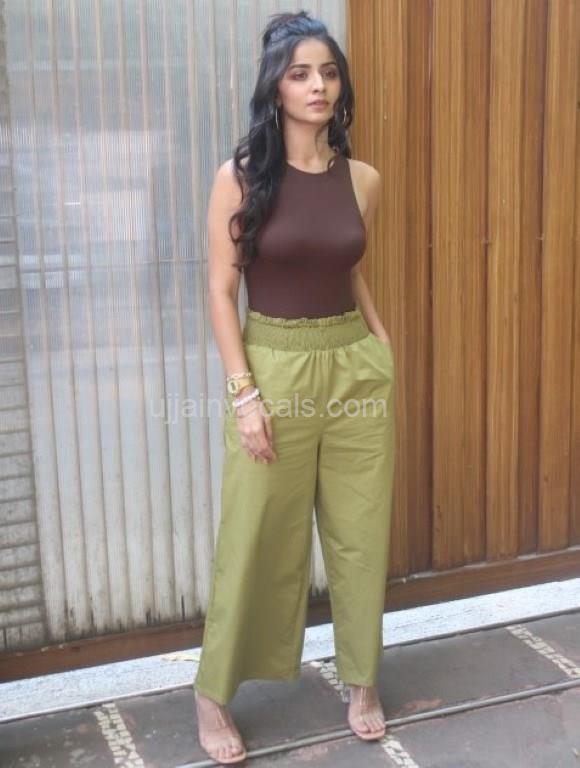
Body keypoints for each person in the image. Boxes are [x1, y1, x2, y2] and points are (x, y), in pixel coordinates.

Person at [193, 10, 395, 765]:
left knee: (360, 531)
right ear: (275, 86)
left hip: (355, 369)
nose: (318, 86)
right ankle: (212, 693)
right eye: (300, 73)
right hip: (273, 366)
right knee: (254, 534)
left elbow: (345, 265)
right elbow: (221, 291)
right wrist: (245, 395)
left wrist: (380, 340)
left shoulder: (363, 179)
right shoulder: (241, 177)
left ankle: (362, 680)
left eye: (329, 72)